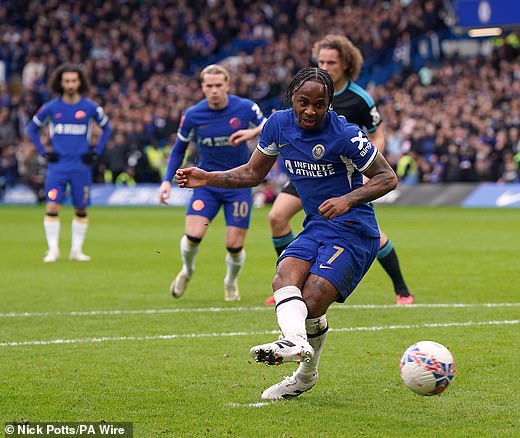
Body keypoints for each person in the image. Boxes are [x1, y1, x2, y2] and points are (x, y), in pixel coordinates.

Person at [175, 67, 398, 399]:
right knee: (283, 278)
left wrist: (347, 199)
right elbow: (253, 173)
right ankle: (296, 347)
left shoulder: (346, 135)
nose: (310, 110)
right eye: (303, 102)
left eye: (319, 104)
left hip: (353, 231)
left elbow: (387, 178)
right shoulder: (278, 125)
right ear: (293, 98)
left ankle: (303, 371)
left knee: (314, 297)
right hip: (316, 226)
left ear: (329, 104)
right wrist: (208, 178)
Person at [265, 34, 414, 306]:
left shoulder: (359, 99)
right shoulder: (310, 89)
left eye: (331, 62)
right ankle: (290, 283)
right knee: (276, 216)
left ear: (345, 64)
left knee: (371, 234)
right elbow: (285, 120)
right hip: (304, 171)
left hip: (341, 175)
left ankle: (401, 288)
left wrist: (368, 163)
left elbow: (376, 134)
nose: (325, 66)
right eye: (321, 61)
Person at [158, 64, 266, 301]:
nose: (214, 90)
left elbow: (270, 125)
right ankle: (187, 270)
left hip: (238, 183)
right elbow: (178, 149)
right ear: (202, 87)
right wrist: (167, 181)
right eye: (209, 86)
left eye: (219, 85)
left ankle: (230, 281)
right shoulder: (193, 115)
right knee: (194, 234)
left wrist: (251, 133)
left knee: (234, 246)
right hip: (206, 184)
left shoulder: (246, 107)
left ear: (227, 85)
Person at [26, 63, 112, 263]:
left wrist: (96, 151)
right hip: (57, 167)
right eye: (67, 81)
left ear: (80, 82)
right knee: (52, 206)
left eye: (74, 80)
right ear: (60, 83)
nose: (70, 84)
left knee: (81, 208)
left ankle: (76, 250)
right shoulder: (51, 107)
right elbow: (32, 129)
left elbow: (107, 128)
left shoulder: (90, 107)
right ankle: (53, 250)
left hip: (81, 167)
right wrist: (44, 152)